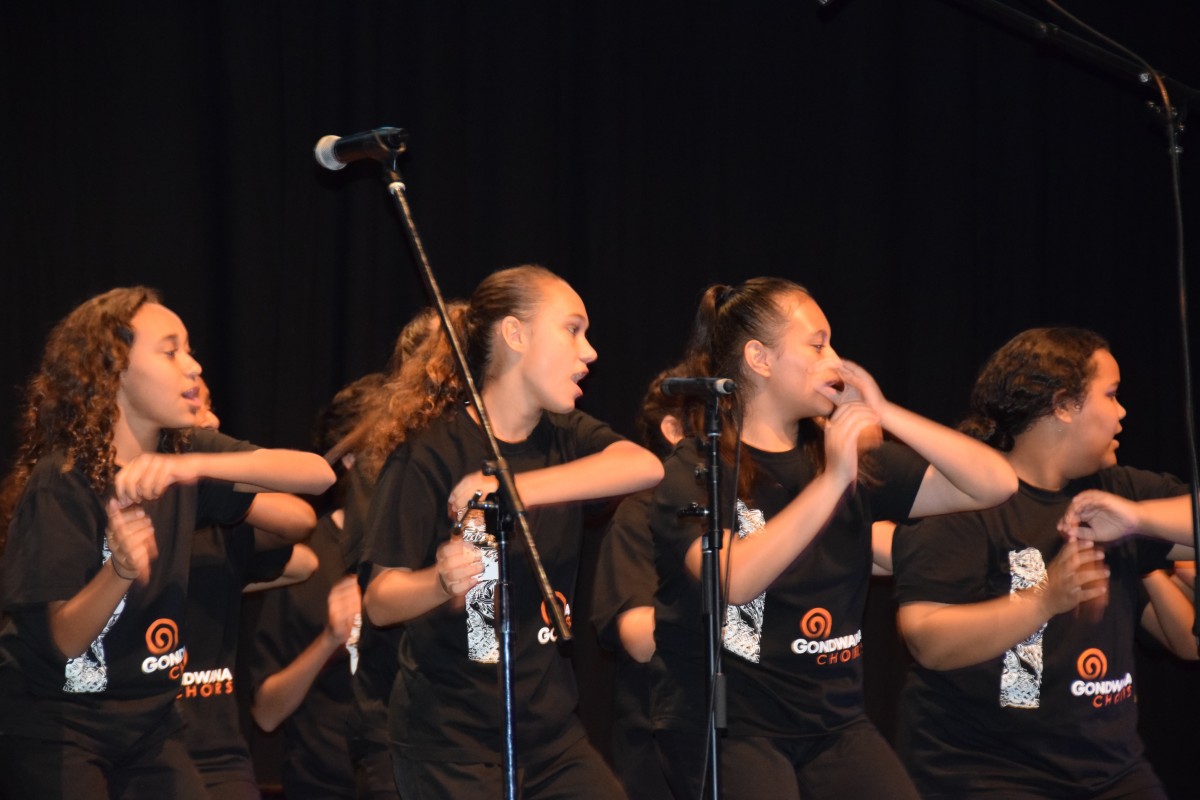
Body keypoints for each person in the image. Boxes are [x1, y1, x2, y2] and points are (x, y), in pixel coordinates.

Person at [649, 277, 1017, 799]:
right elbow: (732, 581)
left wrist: (883, 411)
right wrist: (833, 481)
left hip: (834, 722)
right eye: (818, 344)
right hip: (730, 727)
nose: (836, 360)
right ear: (760, 358)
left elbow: (995, 483)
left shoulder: (846, 459)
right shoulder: (697, 466)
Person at [0, 287, 335, 800]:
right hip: (62, 724)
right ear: (113, 369)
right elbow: (65, 642)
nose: (193, 366)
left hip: (149, 722)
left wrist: (191, 467)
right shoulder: (63, 481)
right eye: (170, 350)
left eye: (190, 349)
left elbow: (315, 474)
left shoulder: (185, 456)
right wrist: (120, 572)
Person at [362, 265, 664, 799]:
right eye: (572, 329)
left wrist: (514, 488)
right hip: (451, 743)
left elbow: (643, 466)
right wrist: (439, 582)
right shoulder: (429, 453)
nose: (589, 352)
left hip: (549, 734)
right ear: (515, 334)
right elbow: (380, 601)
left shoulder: (566, 436)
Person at [892, 326, 1193, 799]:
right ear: (1064, 405)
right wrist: (1043, 600)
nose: (1122, 412)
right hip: (989, 771)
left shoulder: (1118, 490)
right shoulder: (964, 501)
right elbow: (927, 638)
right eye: (1111, 395)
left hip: (1111, 771)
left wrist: (1138, 518)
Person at [179, 378, 319, 800]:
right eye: (198, 409)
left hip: (217, 746)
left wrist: (216, 478)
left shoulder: (223, 527)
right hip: (148, 736)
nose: (213, 420)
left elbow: (301, 527)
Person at [250, 372, 385, 800]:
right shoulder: (305, 558)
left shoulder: (433, 554)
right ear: (349, 458)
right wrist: (330, 639)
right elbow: (266, 713)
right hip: (325, 786)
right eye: (393, 443)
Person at [590, 366, 690, 800]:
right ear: (673, 429)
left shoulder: (751, 507)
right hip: (662, 740)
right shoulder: (640, 513)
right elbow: (638, 638)